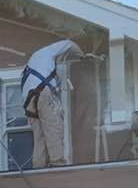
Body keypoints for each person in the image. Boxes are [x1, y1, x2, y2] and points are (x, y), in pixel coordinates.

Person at [21, 40, 92, 168]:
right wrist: (82, 55)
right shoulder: (49, 51)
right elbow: (69, 43)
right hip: (42, 91)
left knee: (39, 137)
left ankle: (39, 169)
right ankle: (58, 166)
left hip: (29, 100)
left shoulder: (33, 63)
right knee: (54, 128)